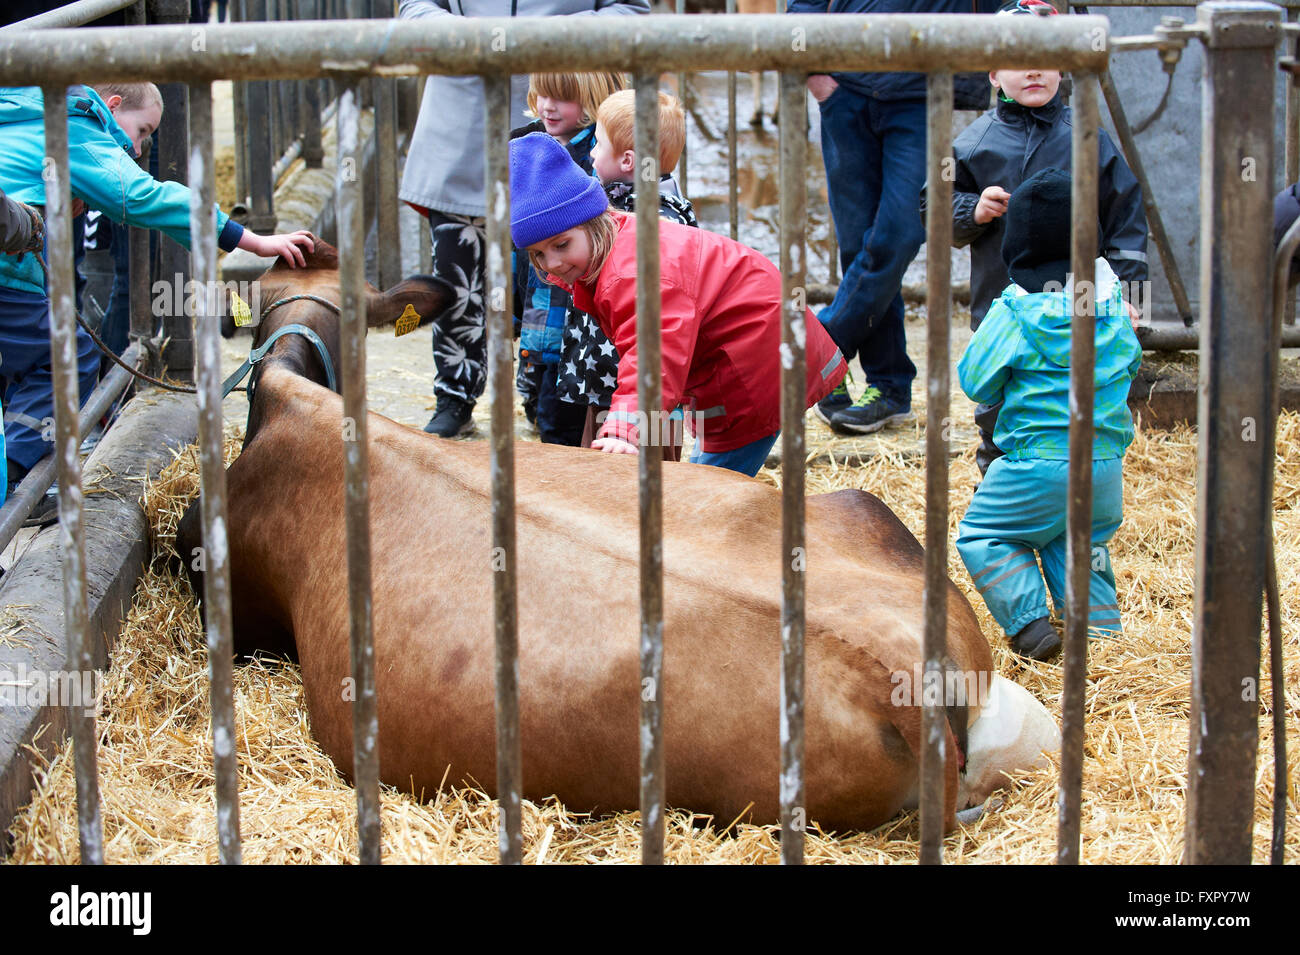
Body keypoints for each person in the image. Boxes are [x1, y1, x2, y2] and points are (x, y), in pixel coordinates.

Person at [0, 82, 312, 520]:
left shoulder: (24, 112)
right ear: (111, 106)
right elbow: (143, 197)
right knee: (71, 354)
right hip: (9, 265)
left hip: (17, 260)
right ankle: (16, 477)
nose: (140, 146)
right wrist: (250, 240)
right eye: (142, 131)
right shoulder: (80, 129)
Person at [510, 132, 846, 477]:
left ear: (593, 221)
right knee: (704, 474)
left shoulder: (633, 274)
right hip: (739, 359)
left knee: (712, 491)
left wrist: (625, 426)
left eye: (561, 244)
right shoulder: (617, 239)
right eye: (538, 254)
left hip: (761, 365)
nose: (551, 263)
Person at [397, 0, 651, 439]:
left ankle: (547, 397)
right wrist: (467, 38)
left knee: (557, 285)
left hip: (569, 90)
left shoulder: (589, 143)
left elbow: (631, 9)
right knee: (459, 273)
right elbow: (413, 7)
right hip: (464, 115)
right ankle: (454, 397)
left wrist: (544, 38)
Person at [938, 0, 1149, 475]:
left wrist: (1134, 298)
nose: (1033, 69)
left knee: (1082, 414)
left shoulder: (1090, 138)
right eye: (1017, 58)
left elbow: (1126, 220)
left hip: (1083, 311)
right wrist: (975, 208)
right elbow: (935, 213)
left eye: (1046, 55)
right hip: (1002, 313)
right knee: (1002, 417)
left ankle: (1071, 505)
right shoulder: (971, 144)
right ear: (992, 73)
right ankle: (998, 497)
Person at [788, 0, 1003, 436]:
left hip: (924, 90)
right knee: (857, 244)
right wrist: (817, 77)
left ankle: (820, 348)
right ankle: (887, 386)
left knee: (899, 232)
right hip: (844, 87)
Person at [954, 169, 1142, 661]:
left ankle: (1030, 625)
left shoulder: (1016, 312)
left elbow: (975, 380)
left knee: (985, 535)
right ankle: (1102, 640)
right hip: (1102, 466)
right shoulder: (1116, 307)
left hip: (1038, 462)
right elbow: (1130, 365)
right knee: (1081, 544)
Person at [559, 88, 698, 451]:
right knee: (601, 472)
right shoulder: (612, 204)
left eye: (599, 143)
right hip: (608, 378)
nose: (590, 152)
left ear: (628, 161)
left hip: (637, 386)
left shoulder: (655, 223)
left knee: (650, 472)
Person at [509, 71, 626, 445]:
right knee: (549, 413)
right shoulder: (521, 146)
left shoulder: (603, 156)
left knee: (573, 424)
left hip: (585, 331)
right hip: (540, 317)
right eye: (541, 94)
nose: (547, 106)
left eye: (561, 97)